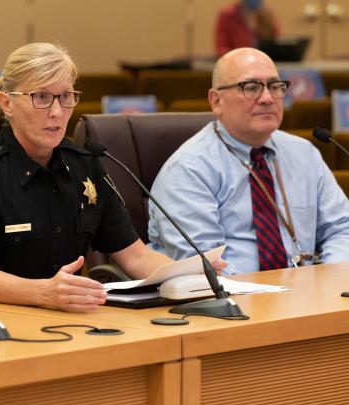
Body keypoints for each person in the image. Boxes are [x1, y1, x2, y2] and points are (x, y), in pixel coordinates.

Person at [0, 43, 176, 311]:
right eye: (42, 97)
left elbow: (137, 257)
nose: (57, 112)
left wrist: (195, 276)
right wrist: (45, 293)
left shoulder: (85, 166)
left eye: (66, 96)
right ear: (7, 103)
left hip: (64, 321)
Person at [148, 47, 349, 275]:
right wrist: (272, 294)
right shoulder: (188, 169)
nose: (267, 98)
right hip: (232, 302)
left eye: (275, 87)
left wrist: (329, 279)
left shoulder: (304, 154)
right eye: (251, 88)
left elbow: (342, 229)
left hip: (310, 295)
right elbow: (205, 263)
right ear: (216, 101)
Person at [215, 0, 280, 57]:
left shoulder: (267, 16)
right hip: (237, 64)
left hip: (262, 63)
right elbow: (222, 48)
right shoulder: (228, 15)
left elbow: (276, 43)